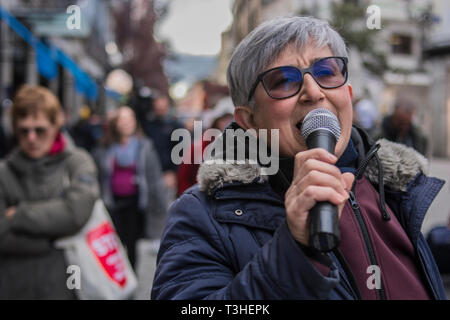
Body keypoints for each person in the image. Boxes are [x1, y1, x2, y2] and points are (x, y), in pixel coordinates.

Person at [151, 16, 447, 300]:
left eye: (326, 72)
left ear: (348, 94)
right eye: (283, 81)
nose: (313, 91)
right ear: (249, 120)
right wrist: (292, 253)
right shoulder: (200, 215)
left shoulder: (395, 188)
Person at [0, 85, 99, 299]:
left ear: (56, 125)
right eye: (24, 131)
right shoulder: (4, 172)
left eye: (40, 130)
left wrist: (19, 215)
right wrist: (56, 238)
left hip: (65, 286)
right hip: (14, 286)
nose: (32, 138)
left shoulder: (77, 163)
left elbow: (75, 213)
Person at [93, 106, 168, 267]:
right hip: (112, 203)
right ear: (115, 124)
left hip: (135, 202)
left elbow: (153, 176)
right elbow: (100, 175)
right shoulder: (105, 147)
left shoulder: (144, 146)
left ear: (135, 123)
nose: (126, 123)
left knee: (132, 242)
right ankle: (117, 276)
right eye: (122, 120)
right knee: (114, 242)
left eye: (129, 119)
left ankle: (132, 277)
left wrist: (161, 205)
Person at [176, 96, 234, 196]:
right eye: (224, 120)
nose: (227, 124)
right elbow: (184, 180)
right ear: (216, 122)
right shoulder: (198, 148)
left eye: (230, 120)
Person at [144, 94, 184, 200]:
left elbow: (181, 153)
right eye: (157, 107)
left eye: (162, 107)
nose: (160, 109)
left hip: (168, 174)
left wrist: (173, 172)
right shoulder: (149, 125)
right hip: (151, 173)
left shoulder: (176, 126)